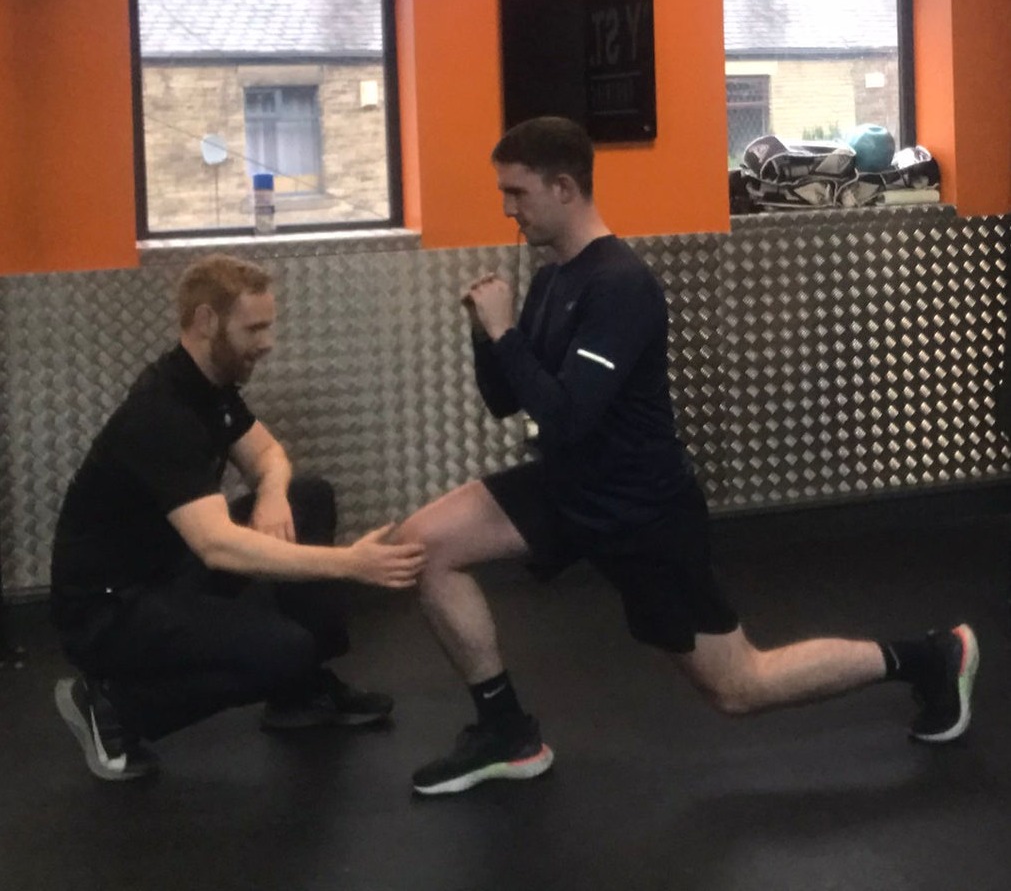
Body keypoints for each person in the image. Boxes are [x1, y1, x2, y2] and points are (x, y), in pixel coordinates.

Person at [398, 116, 979, 796]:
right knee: (423, 545)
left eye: (517, 192)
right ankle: (505, 731)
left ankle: (930, 656)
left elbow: (567, 414)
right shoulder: (554, 276)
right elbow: (509, 399)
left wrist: (503, 332)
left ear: (562, 187)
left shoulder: (622, 284)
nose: (508, 209)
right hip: (568, 485)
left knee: (738, 686)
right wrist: (484, 336)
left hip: (638, 507)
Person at [50, 253, 425, 782]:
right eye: (255, 328)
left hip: (168, 568)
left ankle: (301, 694)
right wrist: (350, 564)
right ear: (206, 322)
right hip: (110, 610)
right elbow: (217, 546)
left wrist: (272, 493)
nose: (267, 342)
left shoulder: (210, 389)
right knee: (283, 649)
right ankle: (112, 707)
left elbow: (269, 455)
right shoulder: (163, 412)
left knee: (306, 494)